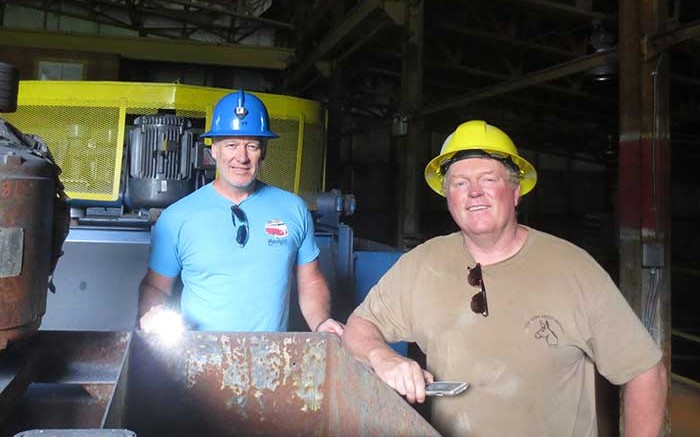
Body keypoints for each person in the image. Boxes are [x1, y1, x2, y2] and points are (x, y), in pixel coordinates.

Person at [343, 120, 667, 436]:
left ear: (515, 192)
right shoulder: (421, 265)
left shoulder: (573, 269)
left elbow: (644, 372)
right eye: (459, 183)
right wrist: (382, 357)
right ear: (447, 197)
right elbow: (358, 328)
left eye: (488, 180)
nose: (474, 193)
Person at [138, 89, 344, 337]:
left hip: (273, 360)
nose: (241, 157)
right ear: (213, 149)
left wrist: (321, 322)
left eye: (252, 146)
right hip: (199, 360)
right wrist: (153, 314)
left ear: (264, 151)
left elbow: (310, 281)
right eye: (231, 145)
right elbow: (156, 287)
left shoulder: (293, 209)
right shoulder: (177, 217)